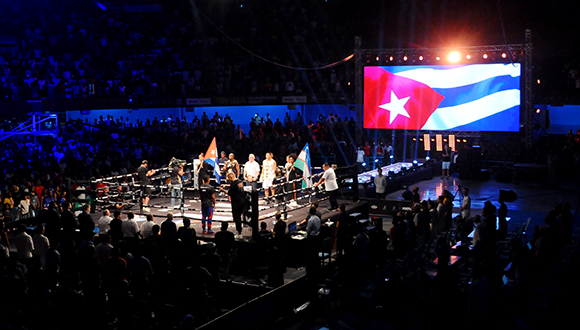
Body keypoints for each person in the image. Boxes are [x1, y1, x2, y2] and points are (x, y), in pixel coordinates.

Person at [224, 172, 245, 238]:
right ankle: (240, 230)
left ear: (230, 178)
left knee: (237, 218)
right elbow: (235, 187)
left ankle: (239, 232)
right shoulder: (239, 182)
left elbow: (229, 193)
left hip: (236, 203)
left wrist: (222, 190)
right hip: (242, 201)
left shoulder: (233, 184)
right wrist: (226, 186)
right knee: (241, 216)